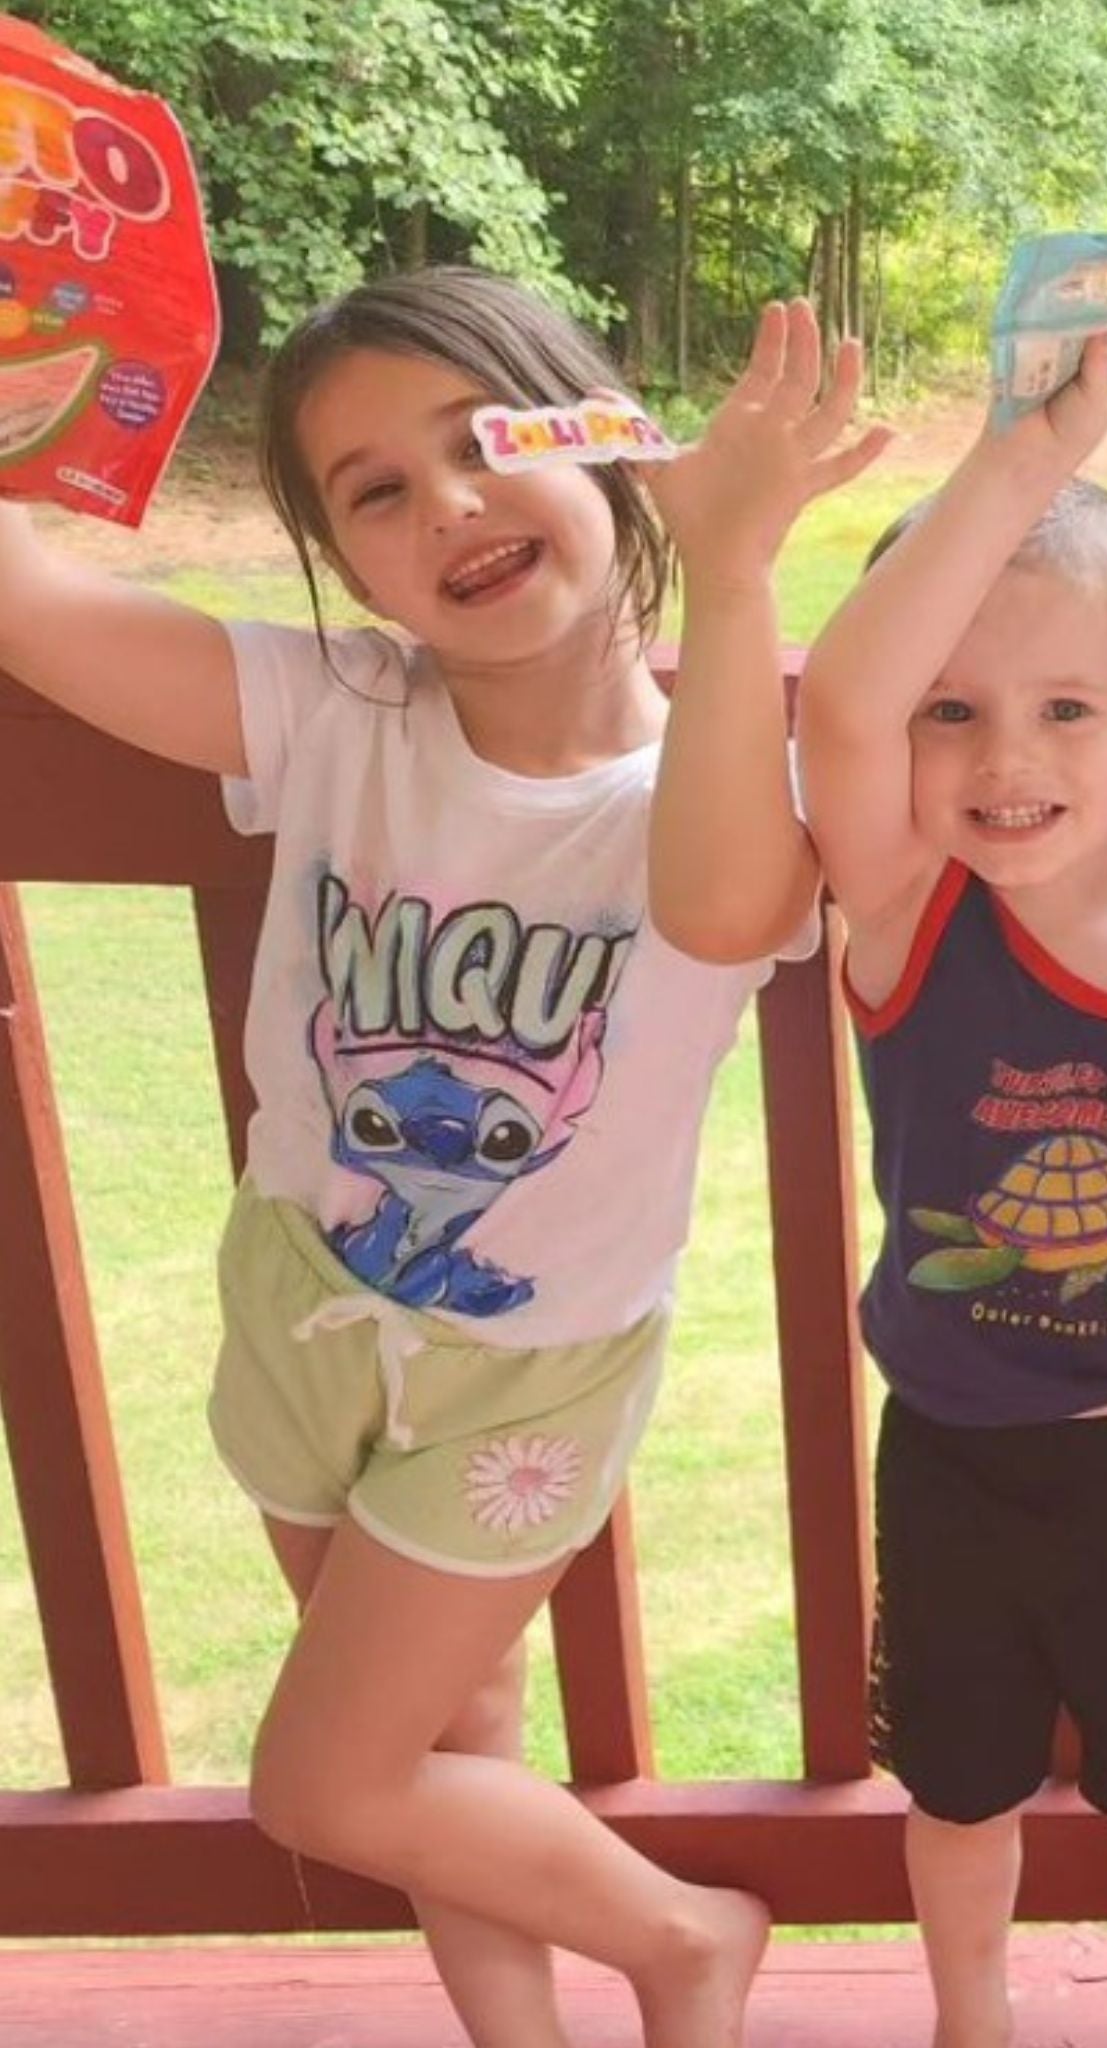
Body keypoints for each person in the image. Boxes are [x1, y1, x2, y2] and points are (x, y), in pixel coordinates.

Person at [0, 271, 883, 2048]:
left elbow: (729, 904)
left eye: (487, 441)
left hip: (524, 1374)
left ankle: (684, 1939)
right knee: (442, 1742)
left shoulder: (707, 778)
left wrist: (733, 564)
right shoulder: (335, 711)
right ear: (339, 557)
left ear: (610, 441)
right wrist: (42, 351)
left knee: (326, 1783)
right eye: (374, 493)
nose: (450, 506)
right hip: (301, 1305)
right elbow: (28, 590)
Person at [788, 335, 1107, 2048]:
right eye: (957, 708)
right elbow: (838, 702)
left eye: (1066, 707)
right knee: (956, 1778)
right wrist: (1007, 465)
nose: (1006, 759)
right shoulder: (905, 900)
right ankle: (972, 2017)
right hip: (950, 1444)